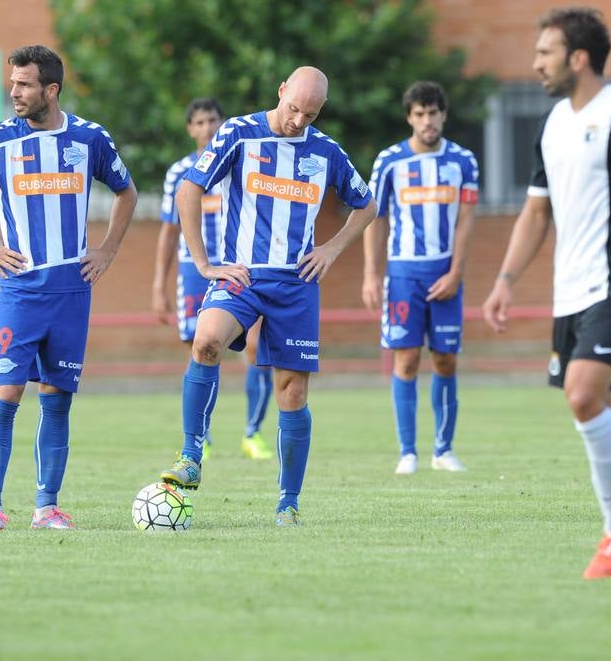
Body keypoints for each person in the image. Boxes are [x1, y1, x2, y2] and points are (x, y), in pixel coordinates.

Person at [481, 7, 611, 579]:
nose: (535, 63)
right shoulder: (551, 125)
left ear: (578, 58)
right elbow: (534, 211)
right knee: (601, 410)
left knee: (582, 394)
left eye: (545, 52)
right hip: (568, 292)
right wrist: (504, 281)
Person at [0, 44, 138, 532]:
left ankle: (47, 506)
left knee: (57, 399)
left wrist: (107, 250)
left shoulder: (89, 139)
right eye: (13, 84)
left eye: (24, 84)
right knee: (6, 393)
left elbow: (126, 191)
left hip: (71, 292)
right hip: (21, 291)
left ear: (51, 89)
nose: (14, 92)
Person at [156, 66, 377, 526]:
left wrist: (332, 249)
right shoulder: (239, 133)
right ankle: (191, 455)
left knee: (292, 393)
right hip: (242, 276)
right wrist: (202, 263)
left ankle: (288, 503)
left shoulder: (325, 152)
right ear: (281, 92)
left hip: (296, 285)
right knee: (205, 341)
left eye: (310, 115)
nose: (299, 121)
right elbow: (189, 190)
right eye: (294, 108)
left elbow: (368, 203)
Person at [362, 81, 480, 475]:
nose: (427, 121)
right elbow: (373, 219)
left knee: (445, 359)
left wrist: (457, 271)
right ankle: (407, 452)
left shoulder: (463, 162)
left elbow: (465, 221)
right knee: (407, 358)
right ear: (409, 117)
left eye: (433, 113)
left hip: (445, 272)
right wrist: (370, 274)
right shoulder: (390, 161)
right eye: (419, 114)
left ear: (443, 115)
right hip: (403, 274)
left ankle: (443, 450)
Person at [151, 97, 274, 460]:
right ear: (190, 129)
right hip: (194, 269)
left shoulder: (243, 163)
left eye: (213, 121)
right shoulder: (180, 172)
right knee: (201, 349)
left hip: (239, 268)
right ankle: (199, 438)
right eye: (200, 122)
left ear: (223, 124)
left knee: (254, 348)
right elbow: (169, 232)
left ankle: (253, 432)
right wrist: (159, 284)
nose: (207, 128)